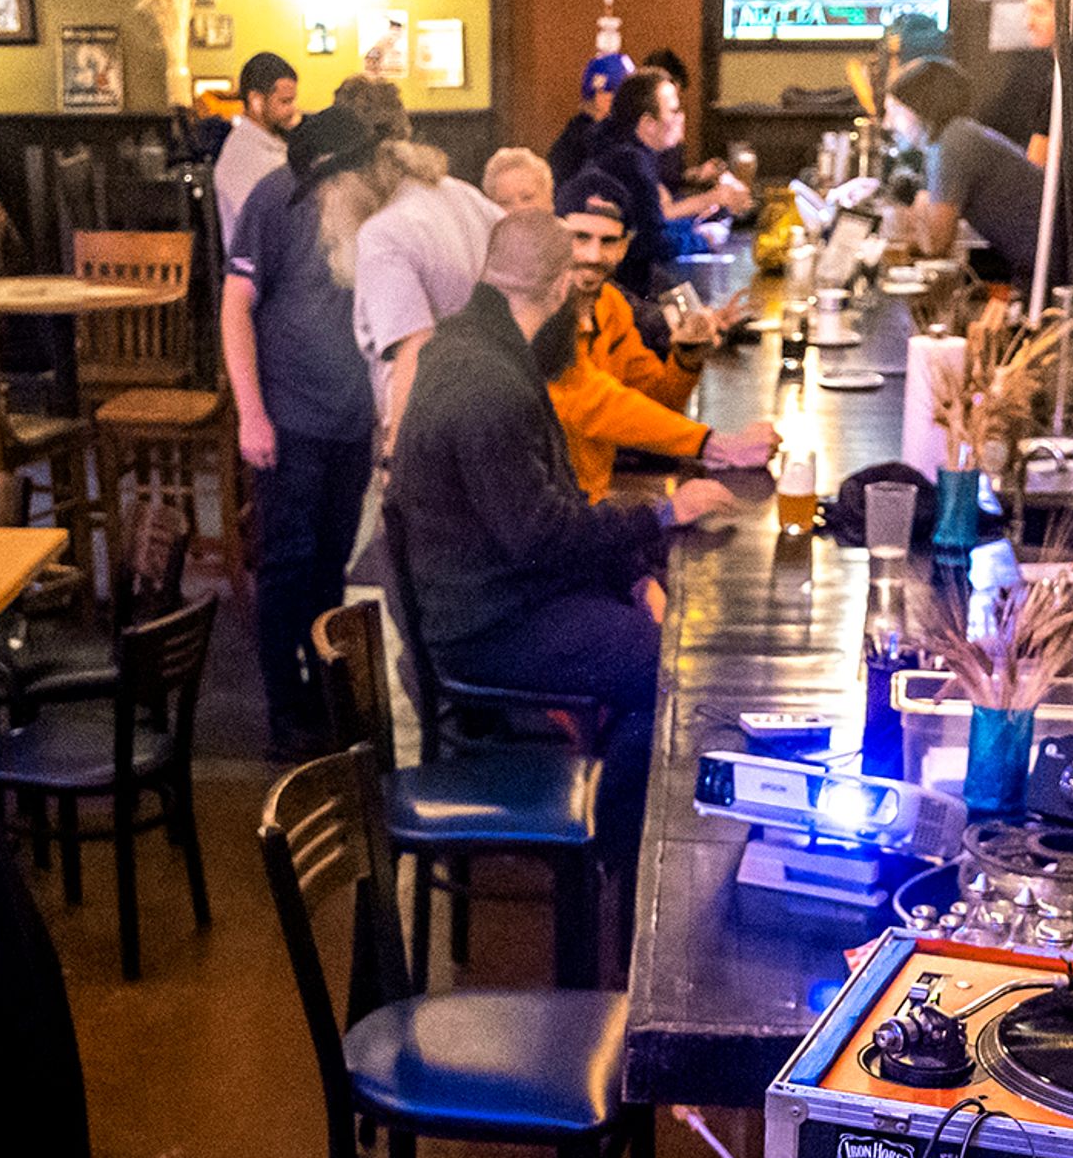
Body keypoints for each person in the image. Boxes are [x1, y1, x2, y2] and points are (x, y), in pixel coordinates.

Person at [385, 209, 737, 852]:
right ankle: (606, 838)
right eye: (577, 306)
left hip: (497, 597)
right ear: (554, 293)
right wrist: (664, 513)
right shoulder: (488, 382)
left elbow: (557, 505)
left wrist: (633, 577)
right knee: (678, 670)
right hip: (484, 627)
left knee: (665, 629)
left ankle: (608, 821)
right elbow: (542, 534)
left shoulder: (477, 349)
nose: (581, 323)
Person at [224, 103, 391, 755]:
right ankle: (283, 709)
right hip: (289, 419)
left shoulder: (374, 207)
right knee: (288, 566)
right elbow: (235, 306)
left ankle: (323, 690)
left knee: (331, 564)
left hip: (350, 419)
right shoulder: (276, 199)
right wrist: (251, 413)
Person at [544, 171, 773, 499]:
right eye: (580, 237)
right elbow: (595, 403)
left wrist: (685, 359)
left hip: (591, 500)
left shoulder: (611, 306)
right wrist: (713, 444)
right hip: (550, 512)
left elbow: (655, 399)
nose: (593, 256)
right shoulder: (539, 310)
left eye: (608, 241)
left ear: (624, 246)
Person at [352, 126, 506, 446]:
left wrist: (396, 454)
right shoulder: (463, 194)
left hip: (434, 430)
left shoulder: (382, 231)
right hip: (495, 404)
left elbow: (413, 347)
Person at [886, 56, 1073, 289]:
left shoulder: (952, 143)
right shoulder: (953, 137)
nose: (888, 124)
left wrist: (898, 220)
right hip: (1062, 262)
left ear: (919, 108)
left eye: (894, 111)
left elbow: (936, 242)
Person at [586, 67, 750, 303]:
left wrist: (693, 225)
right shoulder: (630, 162)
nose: (681, 118)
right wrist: (704, 240)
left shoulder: (626, 151)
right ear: (648, 123)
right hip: (621, 292)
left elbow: (655, 219)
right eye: (673, 111)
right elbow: (650, 243)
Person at [980, 0, 1073, 204]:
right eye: (1028, 11)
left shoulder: (1069, 75)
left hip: (1061, 212)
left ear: (1067, 14)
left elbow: (1037, 163)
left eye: (1039, 11)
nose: (1028, 23)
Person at [213, 52, 301, 241]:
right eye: (285, 101)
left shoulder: (271, 145)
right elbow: (271, 229)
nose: (292, 110)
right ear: (256, 101)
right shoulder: (242, 158)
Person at [545, 50, 631, 187]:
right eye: (607, 92)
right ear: (594, 95)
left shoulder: (634, 132)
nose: (614, 99)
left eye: (622, 93)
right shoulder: (576, 138)